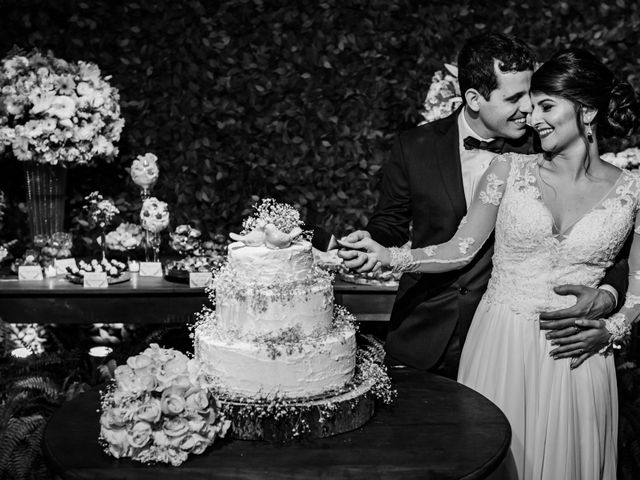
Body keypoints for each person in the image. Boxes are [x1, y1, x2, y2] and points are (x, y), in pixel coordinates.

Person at [340, 48, 640, 480]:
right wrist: (390, 255)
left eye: (546, 106)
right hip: (500, 342)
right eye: (530, 106)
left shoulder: (631, 190)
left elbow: (637, 279)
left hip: (576, 353)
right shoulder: (508, 169)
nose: (533, 118)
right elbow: (459, 248)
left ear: (587, 111)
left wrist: (612, 327)